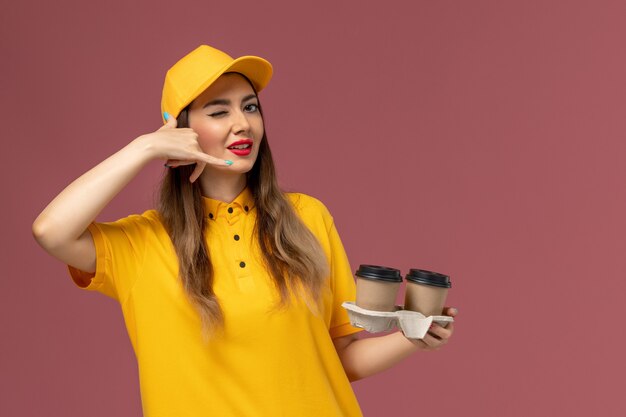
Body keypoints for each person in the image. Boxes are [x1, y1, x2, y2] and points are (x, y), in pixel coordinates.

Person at [32, 45, 458, 417]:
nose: (243, 123)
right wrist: (145, 147)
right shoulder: (143, 242)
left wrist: (414, 337)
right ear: (178, 131)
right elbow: (51, 230)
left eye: (250, 107)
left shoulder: (307, 217)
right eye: (219, 111)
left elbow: (340, 357)